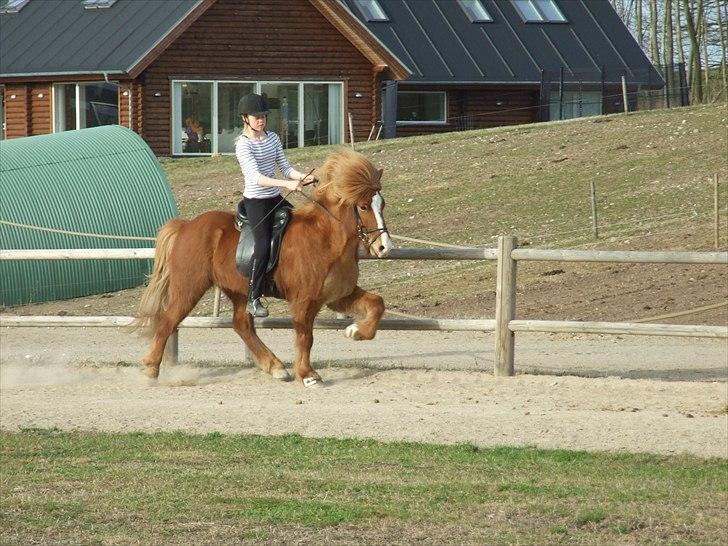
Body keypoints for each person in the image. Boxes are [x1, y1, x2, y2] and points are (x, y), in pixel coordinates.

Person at [235, 93, 315, 317]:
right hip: (256, 201)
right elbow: (256, 178)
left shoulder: (272, 139)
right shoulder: (243, 145)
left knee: (298, 226)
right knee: (262, 245)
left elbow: (285, 167)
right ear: (245, 119)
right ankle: (253, 296)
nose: (261, 120)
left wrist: (303, 177)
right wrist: (287, 184)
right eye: (256, 116)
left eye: (263, 116)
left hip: (274, 196)